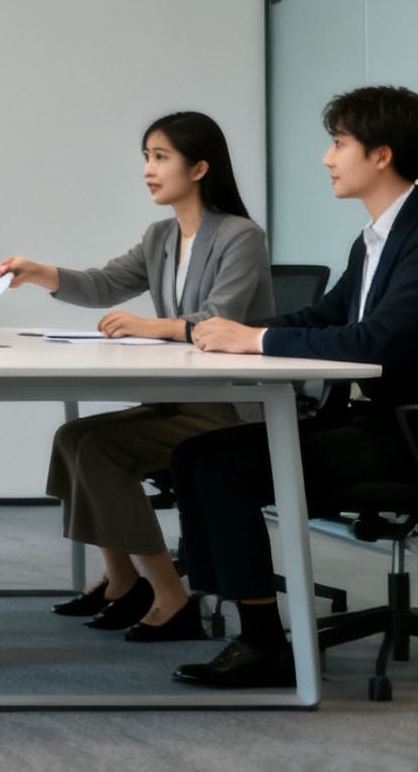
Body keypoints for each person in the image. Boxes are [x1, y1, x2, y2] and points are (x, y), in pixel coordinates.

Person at [170, 84, 418, 688]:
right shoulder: (376, 237)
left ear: (381, 154)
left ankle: (263, 644)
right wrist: (226, 331)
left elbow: (375, 341)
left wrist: (253, 340)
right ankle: (232, 614)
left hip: (404, 433)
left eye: (339, 144)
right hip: (366, 421)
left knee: (221, 466)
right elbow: (325, 316)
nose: (327, 158)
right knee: (194, 454)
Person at [0, 112, 272, 642]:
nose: (148, 169)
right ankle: (123, 580)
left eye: (161, 157)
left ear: (199, 168)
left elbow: (220, 320)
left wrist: (151, 326)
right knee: (73, 438)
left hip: (227, 408)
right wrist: (38, 273)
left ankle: (171, 596)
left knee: (101, 450)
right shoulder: (161, 236)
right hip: (179, 399)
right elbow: (103, 285)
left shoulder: (240, 236)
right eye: (146, 157)